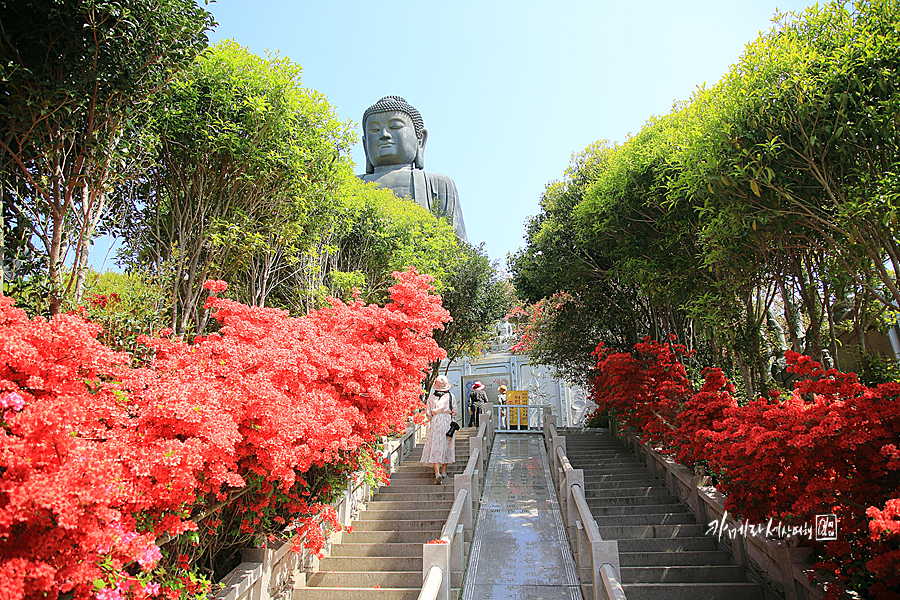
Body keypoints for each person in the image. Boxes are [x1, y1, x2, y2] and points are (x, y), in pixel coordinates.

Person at [359, 96, 467, 241]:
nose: (384, 135)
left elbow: (457, 245)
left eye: (395, 126)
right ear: (365, 144)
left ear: (420, 140)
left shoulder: (440, 184)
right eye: (374, 130)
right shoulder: (351, 185)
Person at [421, 375, 457, 484]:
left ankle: (437, 473)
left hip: (436, 421)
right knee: (447, 445)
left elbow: (428, 414)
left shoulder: (431, 398)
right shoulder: (451, 396)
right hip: (447, 421)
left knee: (436, 445)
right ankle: (444, 471)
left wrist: (434, 419)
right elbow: (454, 411)